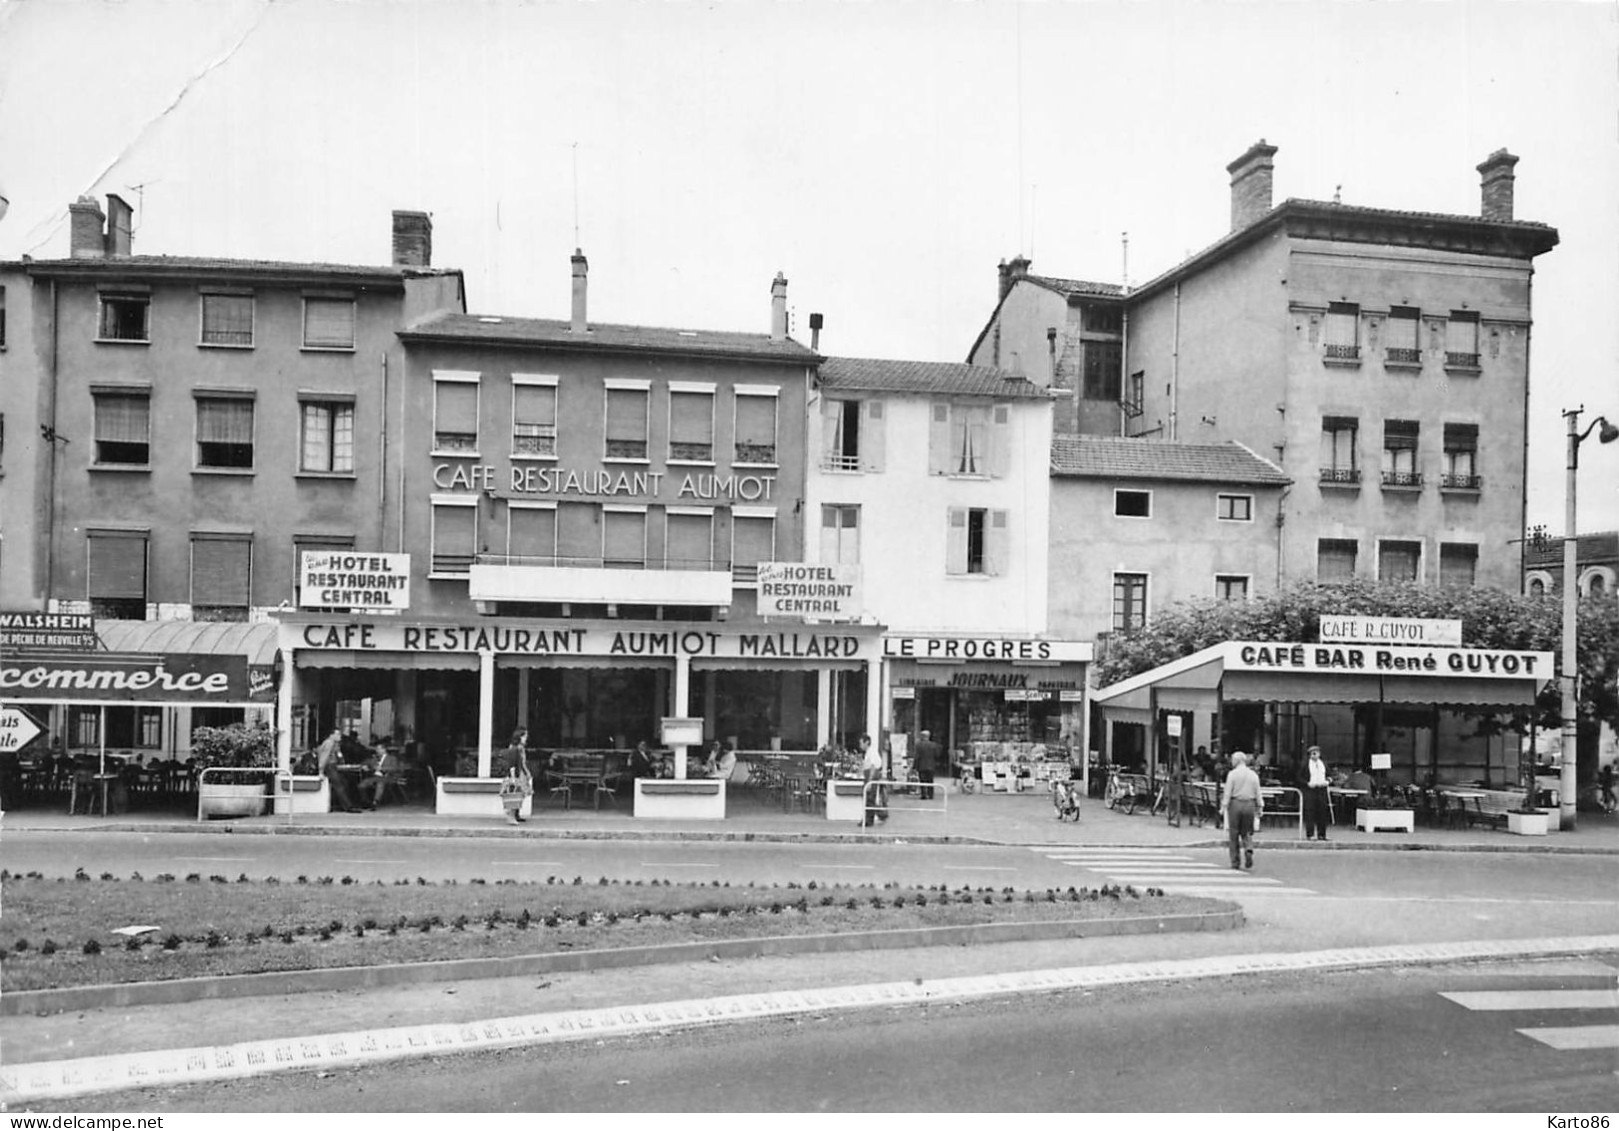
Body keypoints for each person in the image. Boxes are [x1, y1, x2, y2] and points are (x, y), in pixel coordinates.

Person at [1220, 751, 1264, 871]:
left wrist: (1223, 806)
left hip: (1235, 804)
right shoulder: (1253, 775)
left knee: (1233, 833)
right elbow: (1258, 792)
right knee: (1247, 831)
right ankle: (1248, 847)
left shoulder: (1232, 774)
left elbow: (1228, 792)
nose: (1231, 761)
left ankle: (1235, 861)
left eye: (1233, 759)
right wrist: (1260, 806)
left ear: (1238, 760)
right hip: (1249, 804)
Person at [317, 727, 362, 813]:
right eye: (337, 734)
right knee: (339, 785)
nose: (340, 736)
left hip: (333, 766)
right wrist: (321, 771)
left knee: (343, 783)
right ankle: (348, 806)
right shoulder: (329, 743)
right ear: (332, 735)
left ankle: (340, 804)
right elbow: (324, 757)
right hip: (329, 766)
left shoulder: (335, 744)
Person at [493, 728, 531, 824]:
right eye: (524, 736)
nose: (526, 738)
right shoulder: (515, 748)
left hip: (520, 773)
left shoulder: (520, 748)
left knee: (519, 794)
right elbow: (515, 763)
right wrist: (515, 775)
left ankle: (516, 814)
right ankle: (511, 816)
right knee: (515, 794)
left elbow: (522, 762)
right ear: (519, 737)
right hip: (516, 773)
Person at [1302, 744, 1331, 841]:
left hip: (1321, 789)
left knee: (1322, 812)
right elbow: (1298, 777)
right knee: (1310, 812)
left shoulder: (1324, 764)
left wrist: (1328, 781)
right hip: (1310, 790)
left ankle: (1322, 834)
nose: (1314, 755)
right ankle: (1310, 834)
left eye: (1316, 753)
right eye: (1312, 753)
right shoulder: (1305, 764)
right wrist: (1307, 783)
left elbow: (1329, 775)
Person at [860, 735, 887, 826]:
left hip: (872, 776)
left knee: (870, 798)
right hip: (869, 775)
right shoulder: (868, 752)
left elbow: (873, 766)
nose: (860, 745)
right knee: (868, 799)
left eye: (861, 743)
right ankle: (868, 819)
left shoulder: (871, 752)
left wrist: (870, 781)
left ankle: (879, 815)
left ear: (866, 742)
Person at [912, 729, 940, 801]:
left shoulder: (918, 745)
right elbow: (937, 755)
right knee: (930, 780)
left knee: (922, 781)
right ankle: (930, 795)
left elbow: (917, 756)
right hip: (931, 765)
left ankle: (924, 794)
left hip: (921, 765)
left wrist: (914, 766)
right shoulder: (933, 745)